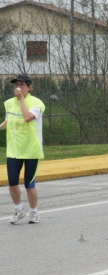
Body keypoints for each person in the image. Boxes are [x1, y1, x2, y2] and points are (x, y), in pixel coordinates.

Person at [0, 75, 45, 224]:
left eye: (22, 85)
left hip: (31, 150)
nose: (18, 88)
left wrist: (21, 100)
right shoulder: (9, 103)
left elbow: (27, 117)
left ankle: (34, 212)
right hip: (14, 150)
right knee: (12, 183)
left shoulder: (36, 103)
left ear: (30, 87)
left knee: (29, 185)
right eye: (17, 85)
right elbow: (8, 120)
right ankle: (19, 210)